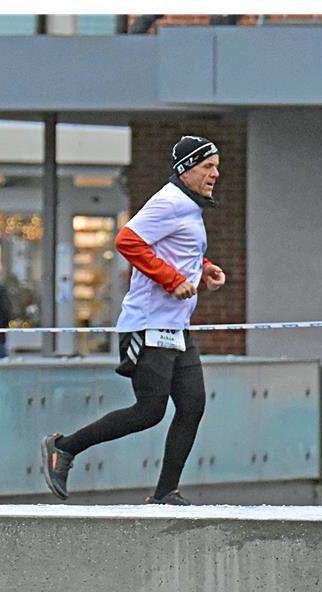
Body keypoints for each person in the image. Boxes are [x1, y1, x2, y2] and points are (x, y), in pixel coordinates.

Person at [42, 135, 226, 506]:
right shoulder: (169, 202)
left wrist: (202, 270)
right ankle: (63, 449)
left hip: (176, 327)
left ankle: (164, 493)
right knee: (149, 411)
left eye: (217, 167)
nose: (215, 174)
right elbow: (128, 241)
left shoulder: (189, 207)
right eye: (208, 167)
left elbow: (175, 250)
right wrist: (171, 280)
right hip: (148, 325)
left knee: (192, 405)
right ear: (185, 169)